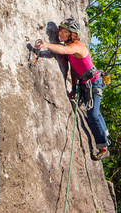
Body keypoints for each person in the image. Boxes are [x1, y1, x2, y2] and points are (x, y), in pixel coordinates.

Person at [35, 18, 110, 160]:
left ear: (72, 34)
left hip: (94, 83)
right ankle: (105, 135)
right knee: (95, 112)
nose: (61, 34)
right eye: (60, 31)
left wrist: (46, 45)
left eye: (64, 32)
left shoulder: (77, 46)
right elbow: (74, 69)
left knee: (93, 115)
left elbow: (64, 50)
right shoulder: (71, 48)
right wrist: (74, 87)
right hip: (85, 83)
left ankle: (103, 146)